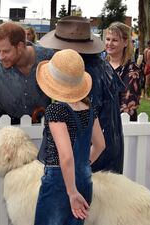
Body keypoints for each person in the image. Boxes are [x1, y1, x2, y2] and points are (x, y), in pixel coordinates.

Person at [39, 16, 124, 174]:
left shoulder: (81, 76)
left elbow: (77, 126)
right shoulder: (102, 66)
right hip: (104, 162)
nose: (54, 51)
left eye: (58, 48)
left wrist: (71, 169)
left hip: (87, 166)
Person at [34, 49, 105, 225]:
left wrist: (72, 192)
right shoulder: (90, 109)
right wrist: (83, 166)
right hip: (84, 180)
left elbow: (65, 157)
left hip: (60, 184)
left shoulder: (56, 110)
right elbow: (100, 145)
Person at [105, 22, 143, 121]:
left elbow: (128, 103)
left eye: (115, 40)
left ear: (125, 42)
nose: (109, 43)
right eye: (108, 39)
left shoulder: (132, 70)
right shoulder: (101, 66)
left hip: (121, 125)